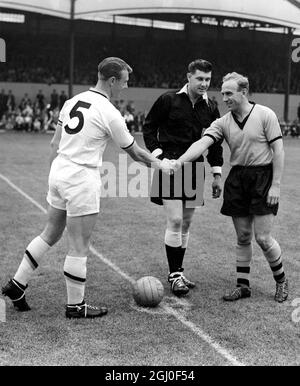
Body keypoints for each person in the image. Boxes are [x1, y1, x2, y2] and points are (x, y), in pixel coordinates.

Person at [2, 57, 170, 319]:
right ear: (112, 80)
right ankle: (75, 306)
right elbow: (135, 153)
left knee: (50, 233)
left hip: (60, 171)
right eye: (124, 82)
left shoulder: (72, 101)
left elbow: (54, 144)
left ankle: (16, 284)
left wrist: (55, 178)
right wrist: (160, 164)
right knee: (79, 244)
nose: (125, 87)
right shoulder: (109, 111)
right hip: (82, 177)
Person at [170, 72, 288, 303]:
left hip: (263, 178)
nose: (224, 98)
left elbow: (279, 151)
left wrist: (275, 184)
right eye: (223, 93)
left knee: (262, 238)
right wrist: (179, 161)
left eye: (229, 93)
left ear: (243, 92)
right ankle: (243, 286)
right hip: (237, 179)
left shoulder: (266, 114)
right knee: (243, 236)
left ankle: (281, 281)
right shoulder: (222, 122)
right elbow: (202, 143)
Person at [142, 59, 223, 296]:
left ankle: (178, 271)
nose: (204, 84)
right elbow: (149, 128)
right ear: (188, 77)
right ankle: (174, 274)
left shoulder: (211, 107)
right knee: (175, 220)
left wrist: (217, 173)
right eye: (200, 78)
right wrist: (159, 157)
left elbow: (215, 142)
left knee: (186, 223)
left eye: (208, 79)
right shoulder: (168, 99)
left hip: (195, 167)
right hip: (170, 166)